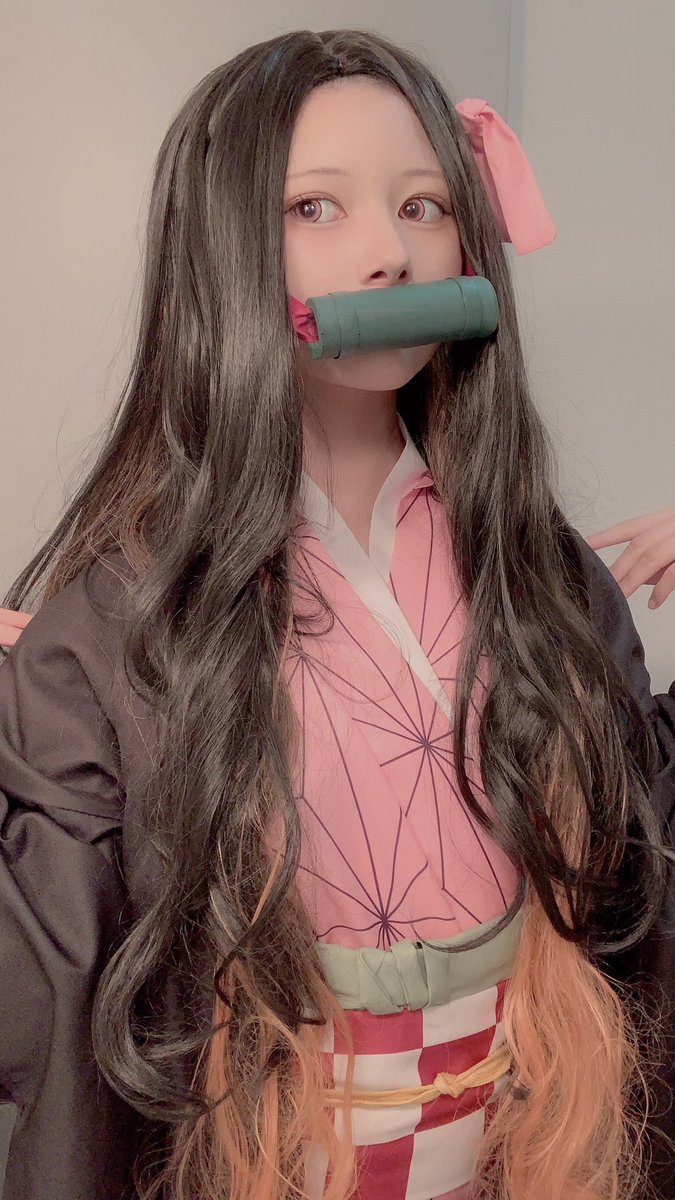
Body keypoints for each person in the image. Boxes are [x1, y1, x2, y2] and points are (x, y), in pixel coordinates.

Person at [0, 27, 673, 1200]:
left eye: (424, 207)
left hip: (525, 1157)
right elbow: (44, 988)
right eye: (315, 208)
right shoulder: (113, 630)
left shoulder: (544, 576)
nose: (388, 255)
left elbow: (636, 864)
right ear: (220, 249)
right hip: (257, 1157)